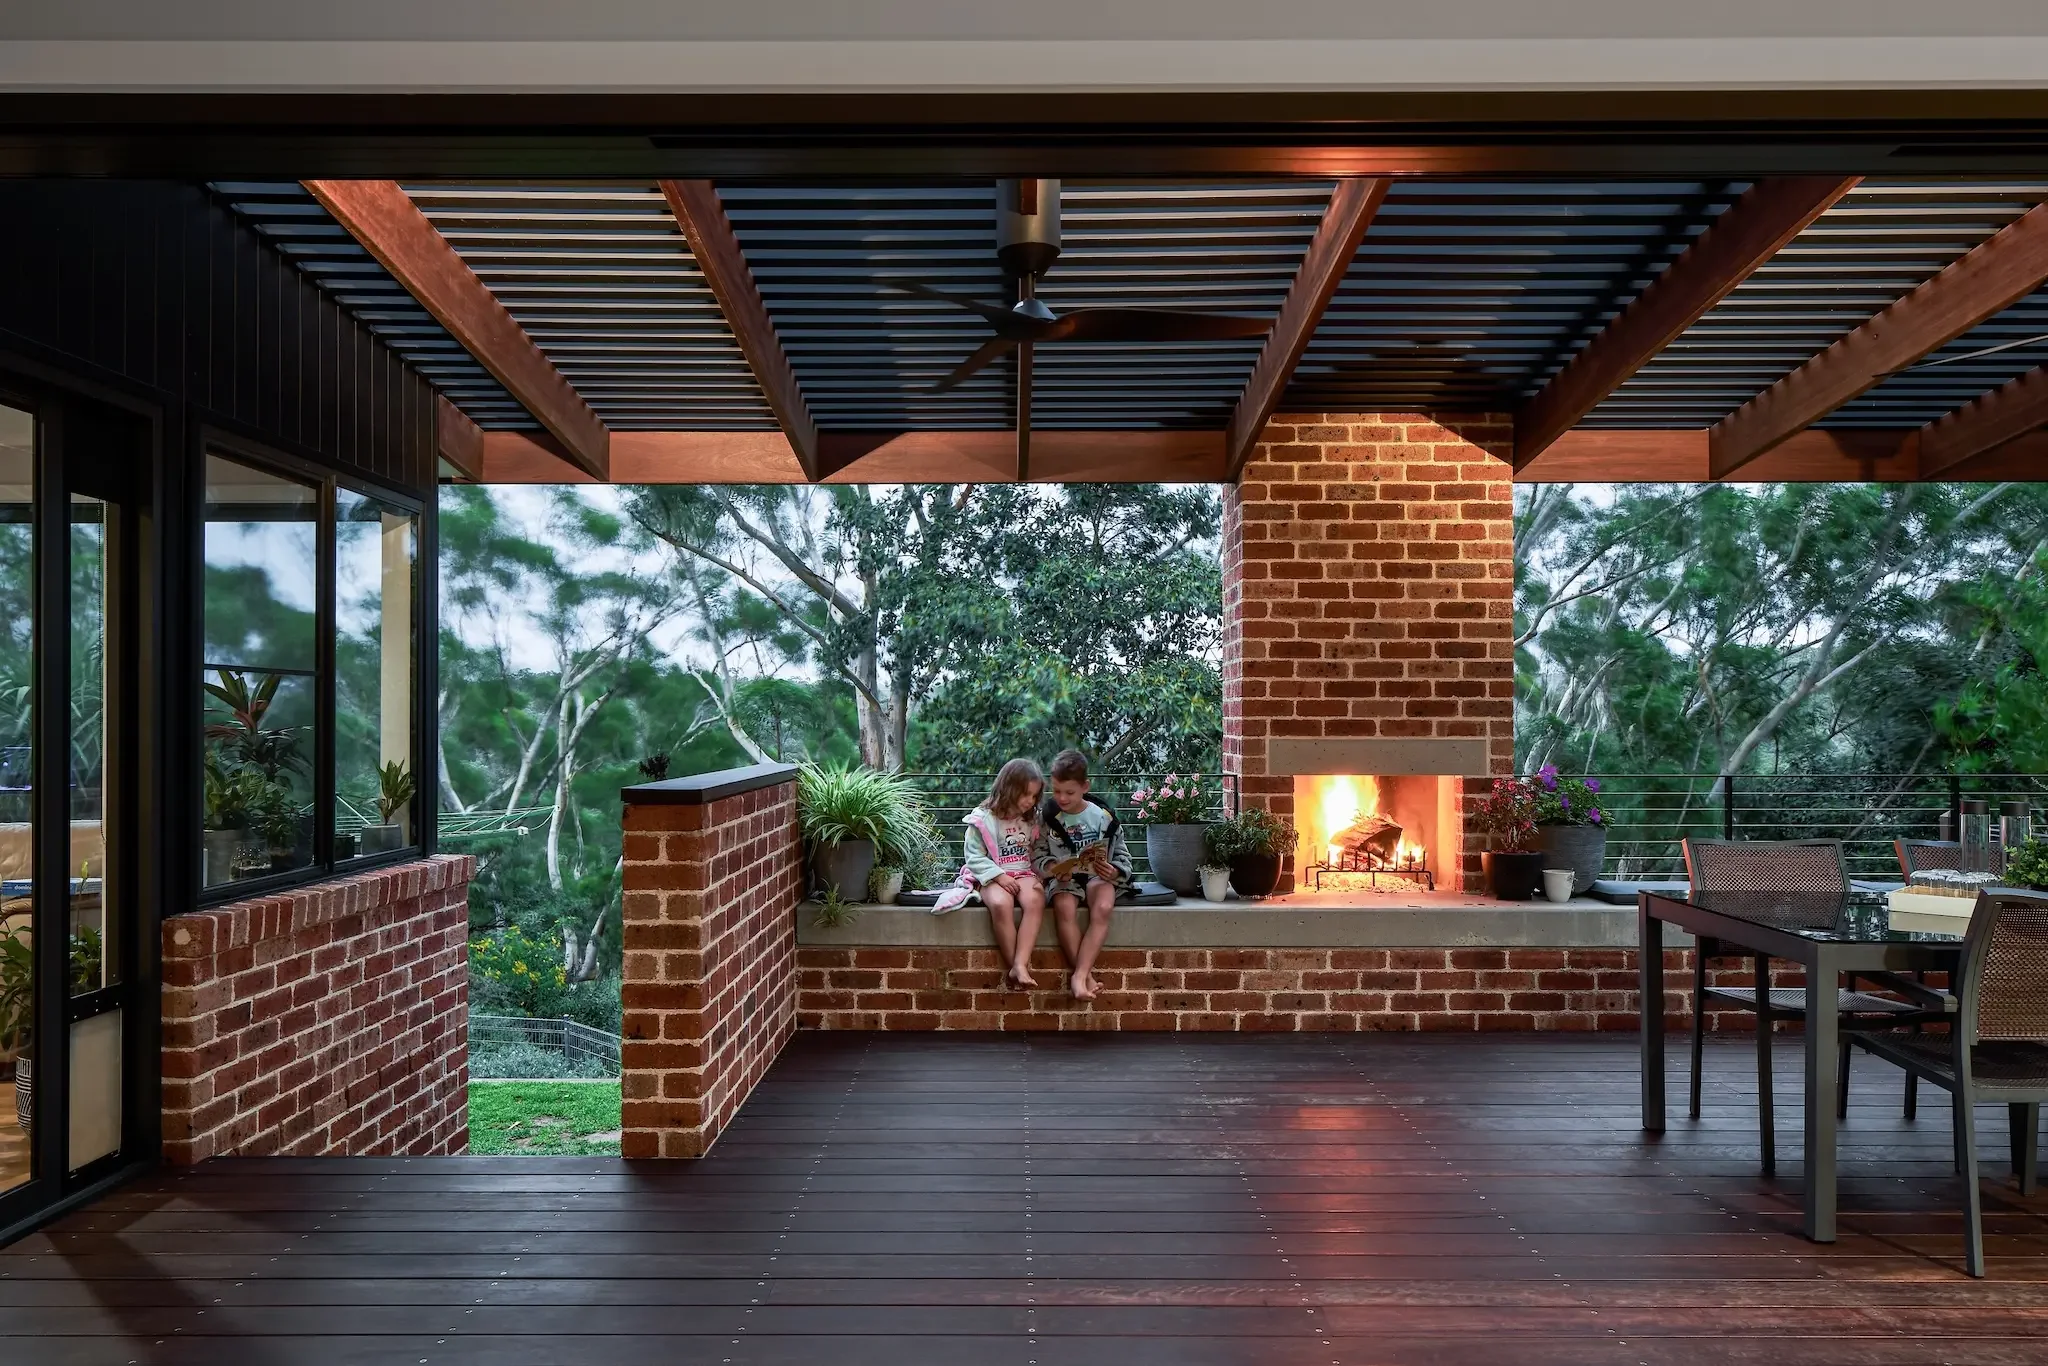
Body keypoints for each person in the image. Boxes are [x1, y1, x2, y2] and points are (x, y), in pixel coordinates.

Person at [1035, 749, 1131, 1001]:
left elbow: (1123, 857)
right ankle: (1084, 977)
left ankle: (1079, 975)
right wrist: (1054, 868)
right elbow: (1037, 856)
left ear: (1085, 786)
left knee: (1103, 907)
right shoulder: (1048, 819)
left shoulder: (1104, 817)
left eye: (1069, 792)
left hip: (1100, 877)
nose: (1062, 798)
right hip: (1065, 880)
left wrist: (1115, 871)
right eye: (1056, 791)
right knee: (1064, 906)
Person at [960, 758, 1048, 990]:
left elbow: (1039, 851)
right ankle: (1016, 967)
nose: (1030, 801)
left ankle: (1020, 964)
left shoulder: (1032, 819)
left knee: (1035, 899)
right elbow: (973, 856)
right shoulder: (982, 818)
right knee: (1000, 904)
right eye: (1025, 794)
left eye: (1034, 796)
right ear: (1008, 789)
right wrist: (999, 876)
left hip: (1024, 871)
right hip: (991, 875)